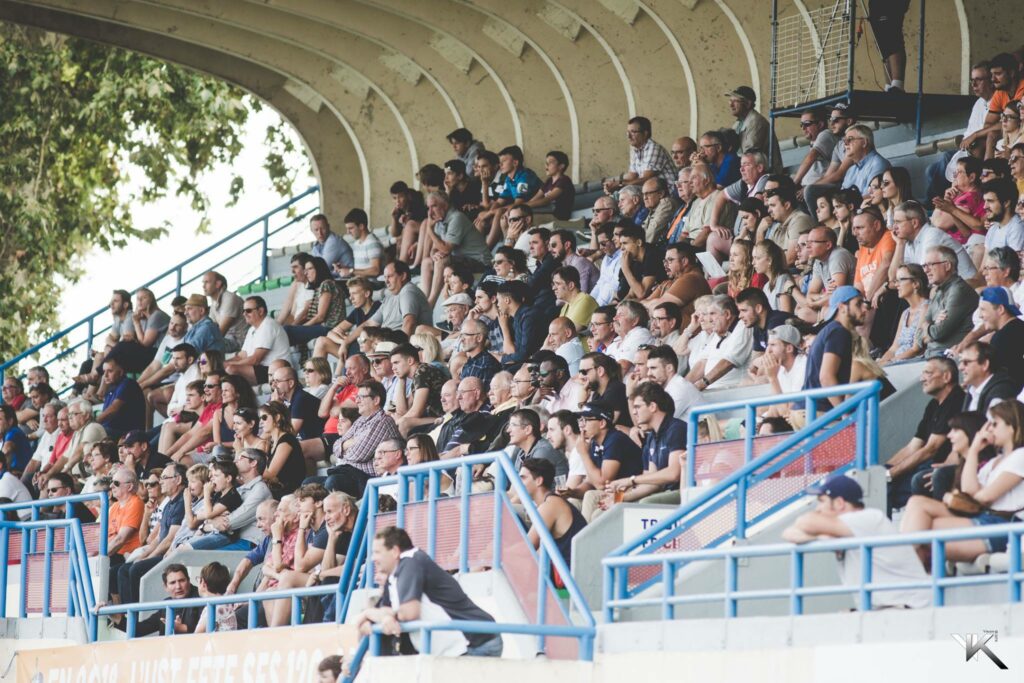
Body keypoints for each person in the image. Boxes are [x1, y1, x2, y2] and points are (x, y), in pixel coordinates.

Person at [900, 399, 1024, 568]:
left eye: (995, 424)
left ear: (1011, 427)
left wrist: (973, 496)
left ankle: (902, 566)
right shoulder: (996, 461)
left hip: (1004, 526)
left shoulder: (1020, 456)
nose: (989, 430)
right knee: (919, 510)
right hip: (987, 519)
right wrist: (973, 450)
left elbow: (984, 497)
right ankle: (908, 568)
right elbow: (969, 489)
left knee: (924, 529)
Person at [782, 474, 930, 609]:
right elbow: (789, 533)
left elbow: (804, 522)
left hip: (912, 608)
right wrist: (818, 537)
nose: (818, 509)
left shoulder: (868, 517)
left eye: (822, 502)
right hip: (890, 609)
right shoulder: (842, 528)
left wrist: (818, 533)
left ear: (839, 503)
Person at [356, 526, 502, 657]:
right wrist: (379, 617)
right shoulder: (393, 574)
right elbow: (385, 610)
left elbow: (409, 613)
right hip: (457, 648)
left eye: (377, 552)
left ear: (394, 551)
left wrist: (369, 614)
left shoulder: (411, 562)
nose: (373, 558)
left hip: (476, 642)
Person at [885, 356, 965, 513]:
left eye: (927, 373)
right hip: (923, 463)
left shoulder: (956, 399)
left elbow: (932, 448)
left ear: (946, 376)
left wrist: (890, 474)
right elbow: (912, 447)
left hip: (938, 465)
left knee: (884, 485)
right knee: (878, 479)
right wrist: (885, 469)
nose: (922, 378)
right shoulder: (933, 404)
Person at [115, 463, 186, 604]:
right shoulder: (170, 504)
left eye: (165, 478)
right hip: (162, 552)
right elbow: (157, 538)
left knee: (137, 569)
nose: (161, 482)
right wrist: (143, 556)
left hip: (172, 554)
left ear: (178, 480)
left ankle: (138, 614)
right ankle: (127, 614)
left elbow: (169, 539)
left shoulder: (182, 502)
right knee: (123, 570)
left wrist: (148, 557)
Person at [606, 382, 688, 506]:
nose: (634, 412)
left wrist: (630, 480)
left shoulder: (676, 428)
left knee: (646, 503)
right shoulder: (652, 437)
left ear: (653, 407)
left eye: (638, 407)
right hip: (662, 492)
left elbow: (674, 473)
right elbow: (651, 483)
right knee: (599, 507)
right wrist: (620, 498)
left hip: (682, 492)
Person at [320, 381, 400, 497]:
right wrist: (350, 443)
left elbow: (358, 455)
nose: (356, 401)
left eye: (361, 397)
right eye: (357, 397)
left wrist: (344, 447)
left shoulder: (382, 421)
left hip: (369, 479)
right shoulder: (361, 420)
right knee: (309, 482)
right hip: (349, 473)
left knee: (334, 481)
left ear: (376, 400)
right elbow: (336, 447)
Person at [577, 402, 644, 522]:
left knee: (591, 498)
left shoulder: (615, 440)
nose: (582, 425)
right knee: (572, 502)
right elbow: (590, 481)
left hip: (632, 490)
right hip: (614, 491)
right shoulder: (594, 443)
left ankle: (584, 540)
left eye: (586, 420)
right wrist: (572, 492)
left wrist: (583, 454)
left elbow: (602, 484)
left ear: (602, 423)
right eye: (581, 420)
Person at [801, 286, 863, 410]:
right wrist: (844, 413)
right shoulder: (839, 332)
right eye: (858, 304)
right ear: (842, 307)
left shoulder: (832, 330)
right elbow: (826, 377)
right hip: (818, 410)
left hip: (807, 408)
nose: (864, 309)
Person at [519, 457, 587, 568]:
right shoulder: (550, 502)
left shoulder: (550, 505)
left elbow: (527, 548)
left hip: (572, 577)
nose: (518, 482)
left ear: (539, 481)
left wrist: (495, 555)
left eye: (523, 478)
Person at [686, 295, 752, 391]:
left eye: (712, 314)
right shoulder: (717, 334)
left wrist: (701, 384)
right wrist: (684, 386)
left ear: (727, 314)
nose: (709, 319)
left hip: (733, 391)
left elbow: (729, 362)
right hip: (713, 391)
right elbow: (702, 363)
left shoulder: (742, 326)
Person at [921, 246, 979, 354]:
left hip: (948, 357)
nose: (925, 270)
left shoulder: (959, 290)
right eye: (924, 265)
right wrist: (933, 323)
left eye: (930, 265)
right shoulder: (939, 291)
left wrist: (927, 326)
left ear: (947, 266)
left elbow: (938, 332)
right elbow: (919, 338)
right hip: (932, 354)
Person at [224, 296, 290, 386]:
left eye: (248, 311)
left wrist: (230, 364)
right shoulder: (252, 329)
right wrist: (224, 363)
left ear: (260, 311)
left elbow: (255, 359)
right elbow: (242, 355)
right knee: (222, 371)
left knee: (232, 370)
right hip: (262, 369)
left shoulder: (268, 325)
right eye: (243, 311)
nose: (244, 314)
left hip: (277, 370)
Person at [603, 116, 677, 193]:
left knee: (624, 196)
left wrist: (619, 184)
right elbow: (632, 176)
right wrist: (613, 183)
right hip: (651, 192)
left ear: (645, 133)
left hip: (668, 193)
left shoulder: (654, 149)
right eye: (628, 132)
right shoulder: (635, 149)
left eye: (633, 132)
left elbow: (645, 180)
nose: (628, 136)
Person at [284, 257, 346, 347]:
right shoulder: (322, 286)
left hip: (329, 328)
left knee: (287, 331)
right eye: (305, 270)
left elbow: (320, 317)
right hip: (324, 327)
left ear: (319, 269)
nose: (306, 273)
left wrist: (302, 328)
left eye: (310, 269)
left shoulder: (326, 284)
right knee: (285, 333)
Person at [124, 565, 202, 637]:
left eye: (181, 581)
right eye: (172, 583)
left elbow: (208, 627)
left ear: (188, 581)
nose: (178, 586)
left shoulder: (201, 598)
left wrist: (182, 628)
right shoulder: (166, 605)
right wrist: (119, 619)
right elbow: (140, 630)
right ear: (165, 587)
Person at [363, 261, 433, 338]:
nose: (386, 281)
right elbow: (369, 324)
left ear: (403, 276)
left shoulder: (408, 291)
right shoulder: (390, 296)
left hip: (401, 345)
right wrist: (348, 341)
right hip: (387, 342)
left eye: (390, 276)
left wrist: (397, 348)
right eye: (385, 277)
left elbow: (409, 323)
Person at [879, 264, 928, 364]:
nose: (896, 285)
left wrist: (890, 362)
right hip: (896, 364)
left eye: (900, 280)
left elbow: (916, 349)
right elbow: (893, 348)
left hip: (913, 365)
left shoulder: (926, 308)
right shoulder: (905, 313)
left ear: (915, 283)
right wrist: (880, 363)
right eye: (896, 281)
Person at [976, 287, 1024, 389]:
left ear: (1000, 309)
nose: (980, 316)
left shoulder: (1003, 338)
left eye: (983, 310)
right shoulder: (1017, 328)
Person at [258, 401, 307, 495]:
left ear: (277, 417)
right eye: (260, 418)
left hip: (289, 492)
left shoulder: (287, 440)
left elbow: (270, 474)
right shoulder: (271, 443)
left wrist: (248, 470)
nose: (261, 422)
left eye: (264, 417)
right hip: (276, 489)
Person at [96, 357, 145, 439]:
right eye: (104, 372)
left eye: (110, 371)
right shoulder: (112, 387)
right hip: (111, 430)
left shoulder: (128, 384)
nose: (105, 375)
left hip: (128, 434)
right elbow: (100, 394)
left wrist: (93, 422)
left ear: (121, 372)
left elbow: (114, 408)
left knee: (93, 432)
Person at [272, 366, 325, 440]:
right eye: (273, 381)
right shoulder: (295, 398)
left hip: (321, 443)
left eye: (277, 381)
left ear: (290, 383)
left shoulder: (300, 399)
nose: (273, 385)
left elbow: (290, 435)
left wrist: (276, 407)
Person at [793, 107, 839, 188]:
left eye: (807, 124)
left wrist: (793, 184)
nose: (803, 128)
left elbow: (811, 157)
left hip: (819, 189)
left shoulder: (826, 134)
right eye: (801, 124)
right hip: (807, 187)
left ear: (820, 124)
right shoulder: (814, 140)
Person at [840, 125, 891, 196]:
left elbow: (871, 197)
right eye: (844, 140)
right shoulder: (851, 169)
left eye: (850, 139)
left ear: (864, 143)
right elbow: (841, 196)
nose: (845, 144)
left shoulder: (878, 164)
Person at [549, 230, 598, 294]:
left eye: (553, 245)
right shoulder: (566, 266)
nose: (550, 249)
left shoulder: (579, 263)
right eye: (549, 246)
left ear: (567, 245)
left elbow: (580, 294)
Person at [552, 267, 598, 333]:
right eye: (553, 284)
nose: (553, 288)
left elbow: (567, 335)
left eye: (558, 284)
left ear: (571, 285)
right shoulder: (565, 306)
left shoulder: (584, 300)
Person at [309, 214, 354, 278]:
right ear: (312, 231)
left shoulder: (334, 241)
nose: (320, 233)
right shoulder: (317, 245)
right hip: (335, 281)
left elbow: (321, 269)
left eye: (323, 228)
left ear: (328, 227)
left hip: (348, 281)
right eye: (316, 230)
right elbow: (312, 267)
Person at [0, 406, 33, 475]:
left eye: (0, 419)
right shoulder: (6, 434)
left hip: (21, 474)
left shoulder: (13, 432)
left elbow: (6, 450)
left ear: (10, 421)